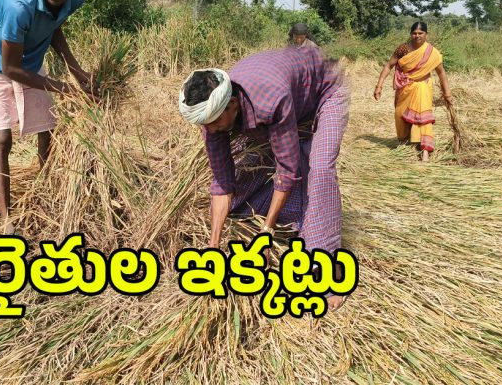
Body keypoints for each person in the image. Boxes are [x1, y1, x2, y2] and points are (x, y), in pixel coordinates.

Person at [178, 46, 350, 311]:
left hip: (324, 92)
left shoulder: (270, 100)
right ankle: (294, 217)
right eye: (205, 124)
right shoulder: (213, 116)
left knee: (319, 168)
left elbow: (286, 171)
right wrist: (213, 245)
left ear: (233, 104)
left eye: (212, 123)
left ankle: (326, 269)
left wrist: (265, 232)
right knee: (250, 163)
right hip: (292, 95)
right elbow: (223, 181)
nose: (208, 130)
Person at [0, 0, 96, 234]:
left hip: (30, 59)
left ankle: (45, 190)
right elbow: (11, 69)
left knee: (47, 129)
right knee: (2, 138)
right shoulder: (18, 5)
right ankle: (6, 218)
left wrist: (77, 72)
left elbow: (54, 27)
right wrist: (65, 87)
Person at [374, 22, 453, 161]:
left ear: (426, 34)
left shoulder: (431, 52)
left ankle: (425, 151)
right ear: (411, 34)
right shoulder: (403, 49)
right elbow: (389, 66)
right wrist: (379, 86)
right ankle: (404, 143)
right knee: (400, 115)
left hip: (423, 86)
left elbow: (441, 73)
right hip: (404, 87)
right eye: (414, 33)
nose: (417, 36)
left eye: (420, 33)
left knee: (423, 117)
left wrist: (447, 93)